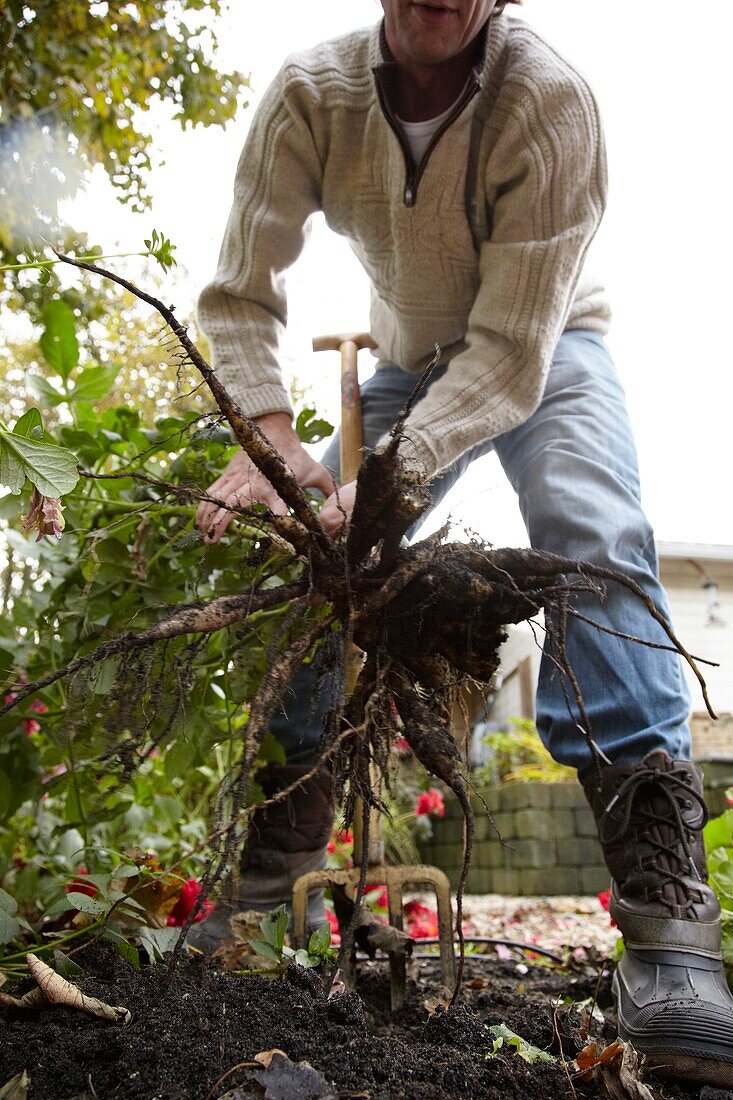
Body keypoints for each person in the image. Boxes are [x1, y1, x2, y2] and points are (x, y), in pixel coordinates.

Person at [194, 0, 733, 1085]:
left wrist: (393, 472)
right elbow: (239, 289)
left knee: (592, 536)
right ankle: (268, 887)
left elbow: (505, 356)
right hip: (406, 356)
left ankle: (670, 936)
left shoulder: (549, 99)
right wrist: (266, 434)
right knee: (320, 554)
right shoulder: (311, 93)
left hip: (547, 344)